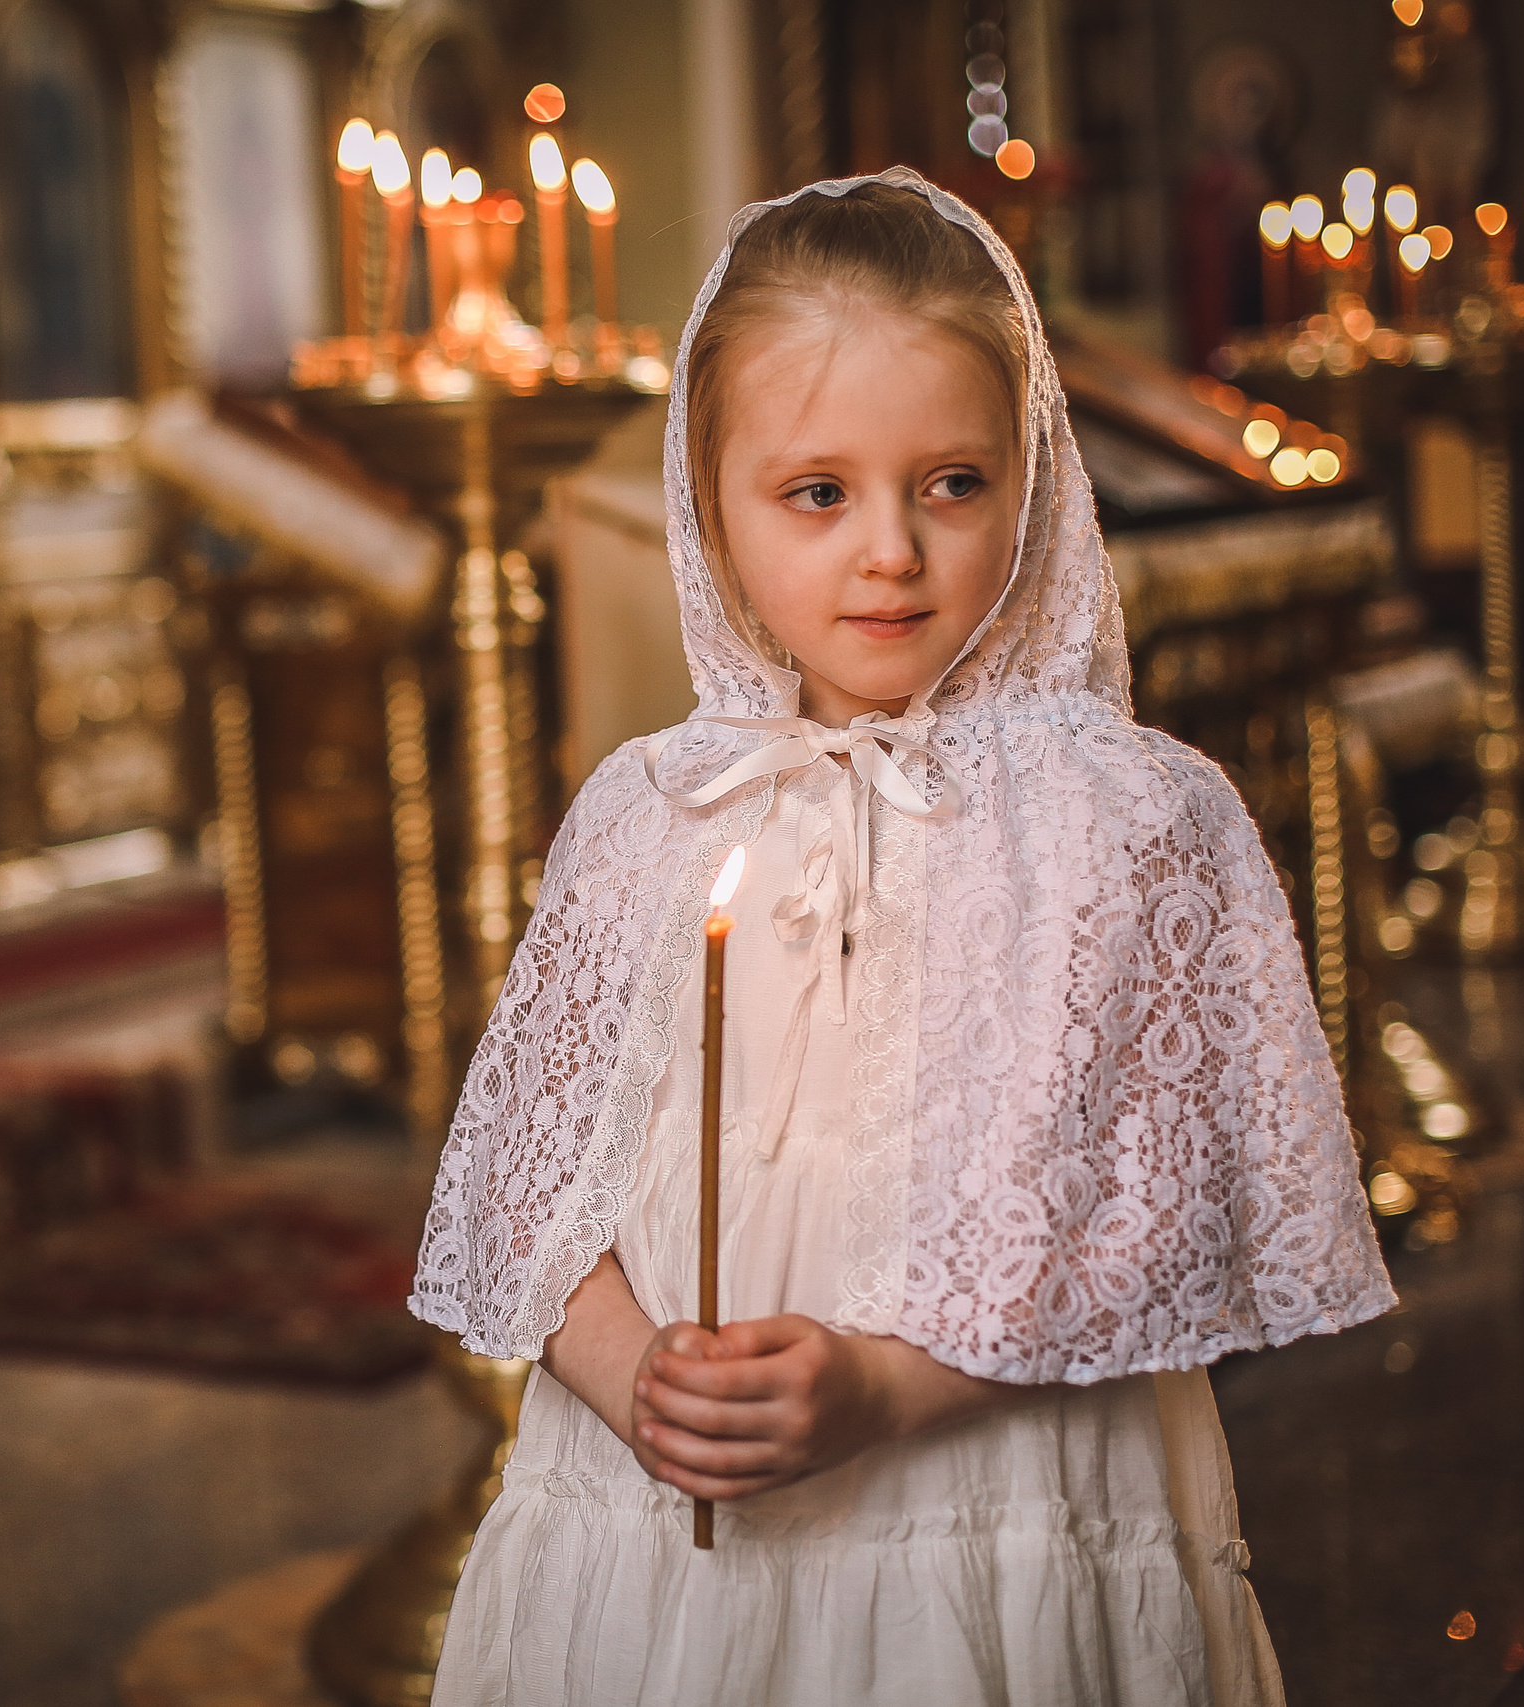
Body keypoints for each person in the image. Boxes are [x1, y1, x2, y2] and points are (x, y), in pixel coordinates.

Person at [410, 170, 1394, 1706]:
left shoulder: (1128, 821)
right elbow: (532, 1190)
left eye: (951, 483)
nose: (891, 552)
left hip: (991, 1498)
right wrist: (638, 1381)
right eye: (818, 493)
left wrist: (882, 1382)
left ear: (1036, 477)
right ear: (711, 509)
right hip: (663, 1527)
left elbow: (1160, 1210)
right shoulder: (649, 813)